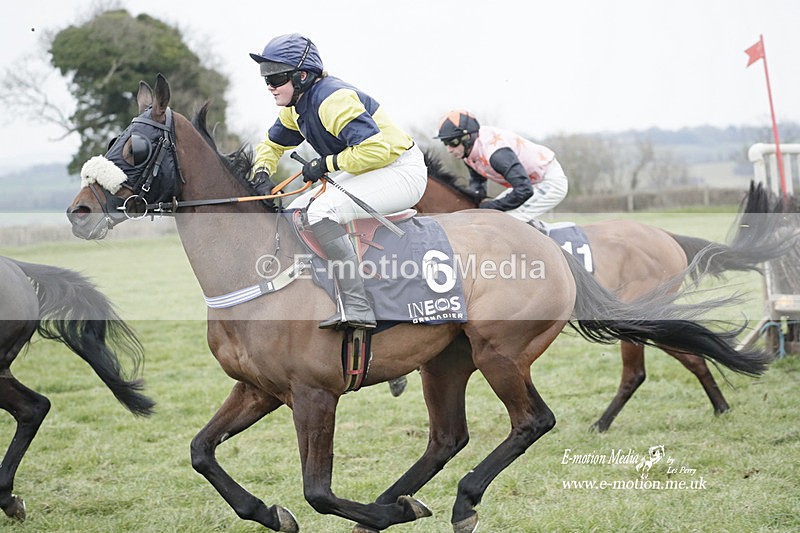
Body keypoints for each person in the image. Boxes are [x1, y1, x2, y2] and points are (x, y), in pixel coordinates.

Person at [249, 33, 427, 330]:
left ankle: (359, 306)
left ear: (302, 76)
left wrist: (326, 164)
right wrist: (262, 172)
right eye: (265, 77)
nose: (270, 86)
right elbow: (270, 145)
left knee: (321, 212)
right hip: (369, 168)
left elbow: (376, 149)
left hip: (400, 169)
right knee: (295, 210)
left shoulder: (333, 100)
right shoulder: (295, 108)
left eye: (276, 77)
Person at [434, 110, 568, 225]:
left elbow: (524, 190)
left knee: (505, 223)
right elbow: (478, 183)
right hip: (529, 183)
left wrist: (491, 206)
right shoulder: (469, 153)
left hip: (549, 181)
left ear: (467, 137)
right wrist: (475, 203)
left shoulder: (497, 155)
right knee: (493, 217)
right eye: (445, 143)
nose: (449, 149)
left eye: (453, 142)